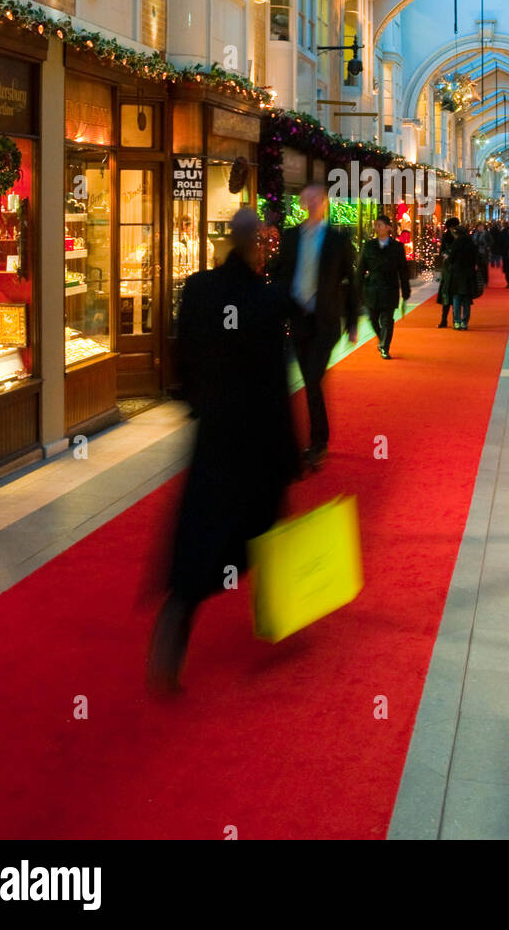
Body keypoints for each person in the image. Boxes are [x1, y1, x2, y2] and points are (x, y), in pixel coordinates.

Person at [147, 208, 299, 693]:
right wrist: (289, 452)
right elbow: (277, 382)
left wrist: (197, 405)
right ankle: (275, 612)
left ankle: (176, 624)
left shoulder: (199, 290)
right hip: (258, 440)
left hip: (215, 435)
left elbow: (181, 354)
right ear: (257, 245)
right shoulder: (266, 299)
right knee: (267, 526)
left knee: (202, 536)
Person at [271, 184, 357, 468]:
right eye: (306, 199)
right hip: (298, 316)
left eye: (316, 199)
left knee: (311, 377)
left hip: (325, 320)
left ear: (324, 203)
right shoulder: (291, 237)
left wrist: (353, 320)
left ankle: (318, 442)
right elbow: (281, 274)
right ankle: (308, 441)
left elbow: (351, 280)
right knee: (309, 380)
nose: (310, 203)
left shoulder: (337, 239)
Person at [355, 214, 411, 359]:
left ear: (388, 228)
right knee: (372, 318)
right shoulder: (369, 246)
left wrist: (405, 292)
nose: (377, 228)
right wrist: (356, 289)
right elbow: (361, 269)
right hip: (372, 288)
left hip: (389, 288)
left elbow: (403, 271)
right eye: (376, 225)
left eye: (380, 225)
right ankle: (382, 339)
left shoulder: (397, 247)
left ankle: (385, 347)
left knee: (387, 319)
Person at [448, 223, 480, 329]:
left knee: (456, 298)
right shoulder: (471, 243)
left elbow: (451, 259)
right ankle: (465, 321)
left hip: (457, 273)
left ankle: (456, 321)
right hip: (468, 274)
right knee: (466, 299)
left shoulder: (456, 244)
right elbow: (476, 258)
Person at [436, 216, 460, 328]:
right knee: (446, 294)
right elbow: (442, 250)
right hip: (448, 269)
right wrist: (445, 254)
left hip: (457, 269)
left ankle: (456, 319)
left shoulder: (461, 237)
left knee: (456, 295)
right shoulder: (446, 237)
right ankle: (444, 319)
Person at [472, 221, 491, 288]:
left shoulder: (486, 234)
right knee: (478, 268)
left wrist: (487, 246)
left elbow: (491, 242)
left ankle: (485, 281)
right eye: (479, 227)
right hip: (476, 253)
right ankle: (478, 281)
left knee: (484, 268)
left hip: (484, 253)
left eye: (481, 226)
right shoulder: (474, 234)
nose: (480, 228)